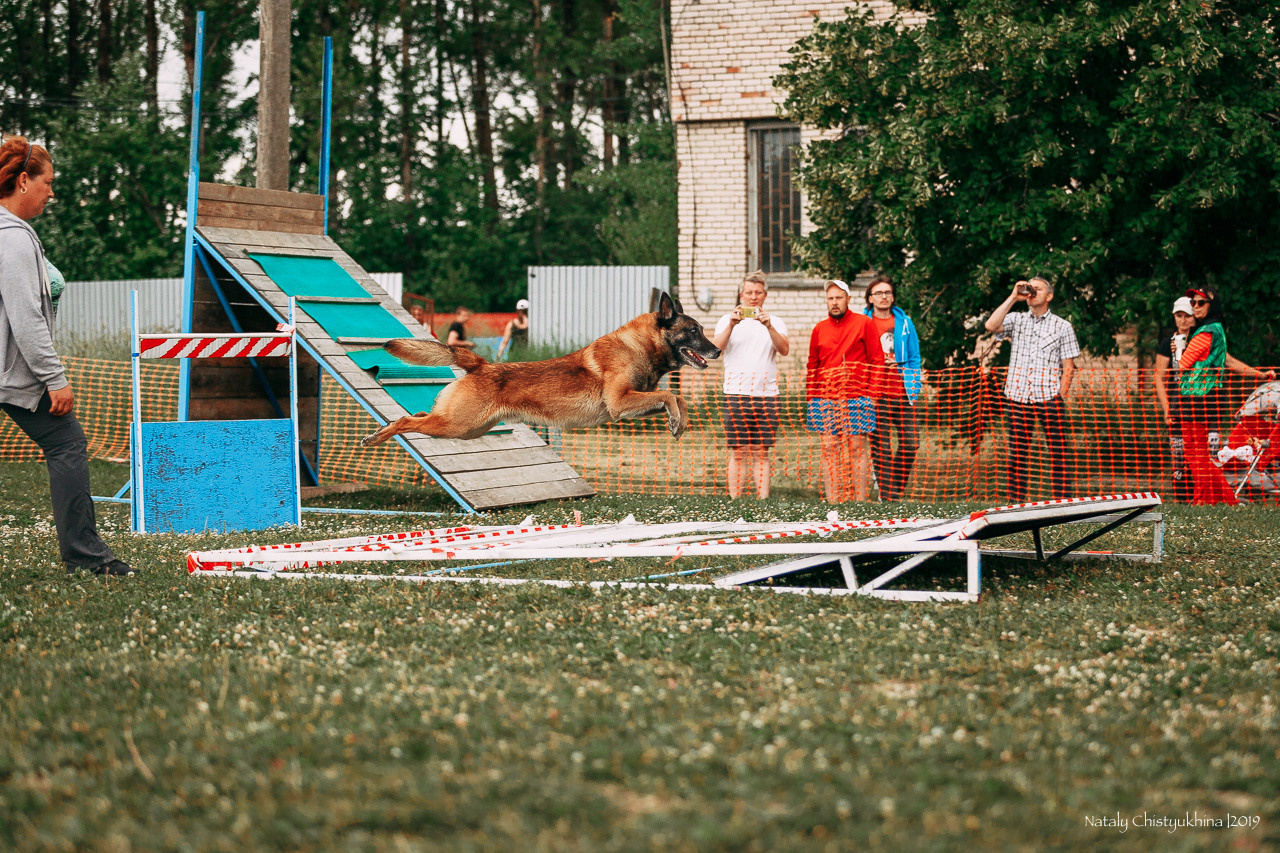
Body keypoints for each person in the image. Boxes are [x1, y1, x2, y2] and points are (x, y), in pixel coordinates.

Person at [0, 136, 134, 576]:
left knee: (66, 443)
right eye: (48, 182)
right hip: (14, 373)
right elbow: (26, 317)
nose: (52, 192)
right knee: (67, 444)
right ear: (23, 181)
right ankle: (84, 556)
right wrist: (54, 378)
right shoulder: (12, 238)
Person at [983, 276, 1080, 501]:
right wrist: (1013, 297)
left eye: (1038, 289)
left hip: (1049, 398)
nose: (1032, 292)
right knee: (1017, 455)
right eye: (1030, 288)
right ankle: (1016, 503)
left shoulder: (1062, 326)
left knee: (1058, 453)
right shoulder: (1016, 319)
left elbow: (1069, 366)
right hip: (1018, 398)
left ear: (1049, 296)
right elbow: (991, 326)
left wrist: (1059, 396)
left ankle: (1062, 502)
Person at [1177, 286, 1276, 505]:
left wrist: (1178, 348)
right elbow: (1229, 361)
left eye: (1200, 302)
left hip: (1195, 397)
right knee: (1199, 453)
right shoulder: (1217, 330)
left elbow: (1183, 364)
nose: (1195, 307)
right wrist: (1259, 374)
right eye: (1193, 303)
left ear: (1212, 305)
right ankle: (1227, 500)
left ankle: (1202, 500)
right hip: (1207, 398)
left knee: (1194, 453)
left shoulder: (1205, 332)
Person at [711, 271, 790, 498]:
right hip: (736, 394)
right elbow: (716, 349)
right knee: (738, 452)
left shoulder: (776, 321)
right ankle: (736, 500)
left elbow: (784, 350)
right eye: (749, 293)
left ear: (765, 295)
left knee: (761, 451)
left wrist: (769, 326)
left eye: (758, 293)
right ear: (741, 295)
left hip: (767, 395)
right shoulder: (726, 320)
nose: (753, 297)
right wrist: (731, 325)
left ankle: (762, 500)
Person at [805, 279, 881, 502]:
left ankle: (860, 502)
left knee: (857, 448)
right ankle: (833, 502)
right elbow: (813, 364)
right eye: (830, 298)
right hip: (825, 399)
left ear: (848, 299)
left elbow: (877, 360)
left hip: (858, 397)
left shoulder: (864, 323)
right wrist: (811, 396)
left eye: (839, 297)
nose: (835, 302)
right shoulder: (819, 329)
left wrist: (872, 394)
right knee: (830, 449)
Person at [862, 276, 922, 500]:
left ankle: (892, 484)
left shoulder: (905, 323)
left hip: (903, 393)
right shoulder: (863, 323)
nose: (884, 297)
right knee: (882, 447)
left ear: (893, 296)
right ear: (870, 298)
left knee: (911, 443)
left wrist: (914, 384)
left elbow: (914, 356)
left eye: (887, 292)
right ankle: (888, 495)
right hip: (876, 394)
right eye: (878, 293)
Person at [1153, 296, 1196, 501]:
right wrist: (1166, 408)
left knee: (1200, 454)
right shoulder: (1167, 344)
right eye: (1179, 315)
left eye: (1187, 315)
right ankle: (1181, 497)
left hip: (1200, 407)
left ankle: (1202, 496)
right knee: (1178, 455)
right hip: (1177, 406)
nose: (1183, 320)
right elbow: (1159, 377)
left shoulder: (1201, 340)